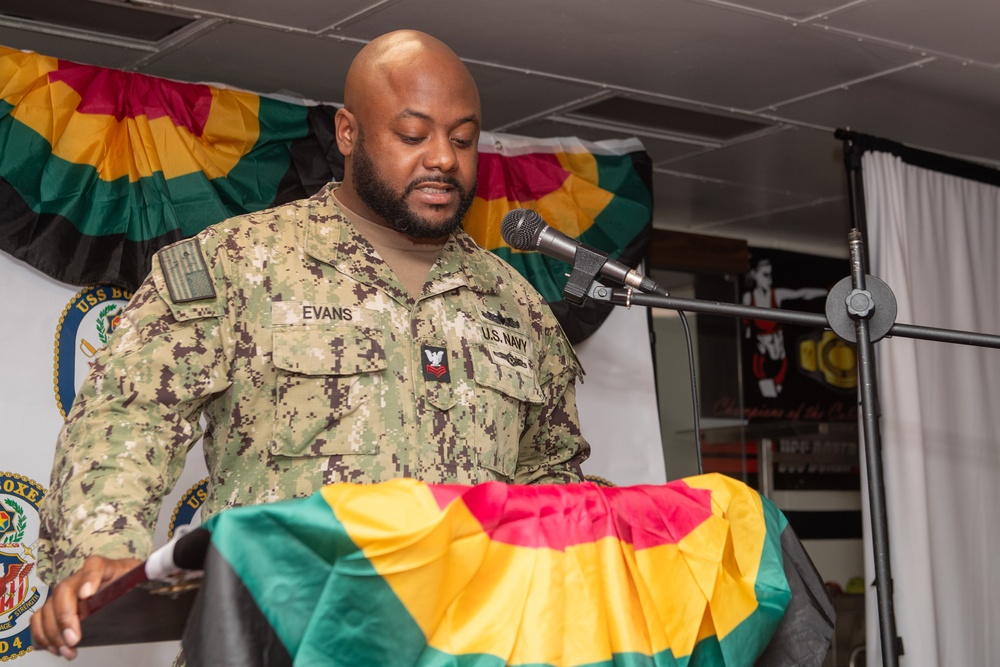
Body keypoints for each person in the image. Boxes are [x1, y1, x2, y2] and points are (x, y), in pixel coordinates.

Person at [30, 29, 589, 659]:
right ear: (348, 134)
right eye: (413, 135)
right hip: (278, 639)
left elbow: (550, 479)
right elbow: (127, 414)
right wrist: (103, 547)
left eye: (462, 139)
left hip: (466, 644)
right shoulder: (238, 264)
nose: (443, 159)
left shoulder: (516, 305)